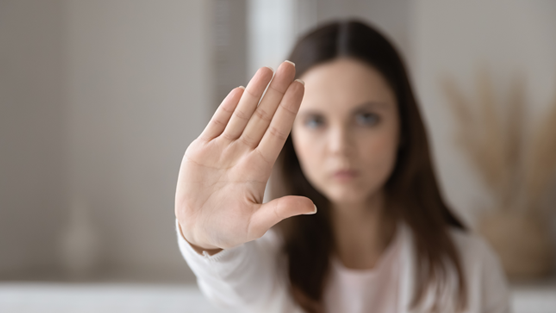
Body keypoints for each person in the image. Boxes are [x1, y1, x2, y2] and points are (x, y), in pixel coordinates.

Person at [174, 19, 511, 313]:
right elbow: (231, 281)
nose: (340, 147)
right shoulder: (269, 265)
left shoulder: (472, 267)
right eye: (315, 121)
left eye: (366, 117)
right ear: (292, 137)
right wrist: (205, 239)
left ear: (404, 128)